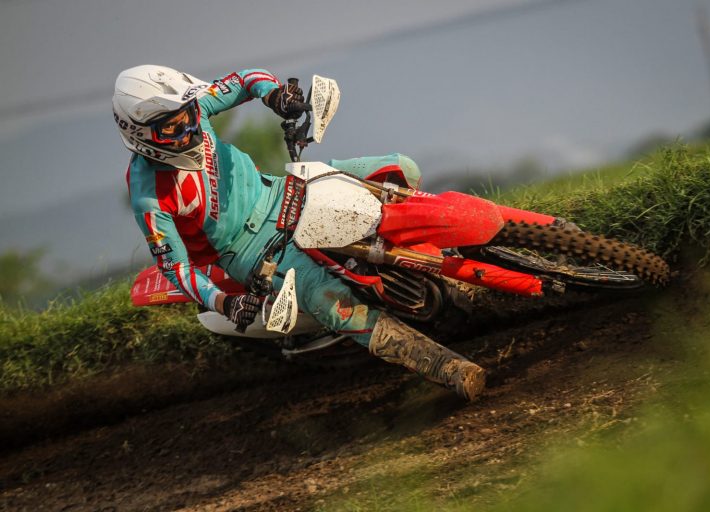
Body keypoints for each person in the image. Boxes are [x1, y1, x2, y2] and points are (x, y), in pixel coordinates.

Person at [113, 65, 486, 400]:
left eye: (188, 116)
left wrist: (275, 94)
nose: (189, 129)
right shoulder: (148, 194)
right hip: (251, 248)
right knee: (333, 302)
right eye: (172, 128)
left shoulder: (192, 108)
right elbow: (175, 267)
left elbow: (244, 79)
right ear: (139, 133)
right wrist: (225, 303)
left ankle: (457, 254)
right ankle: (445, 366)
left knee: (399, 169)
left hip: (282, 190)